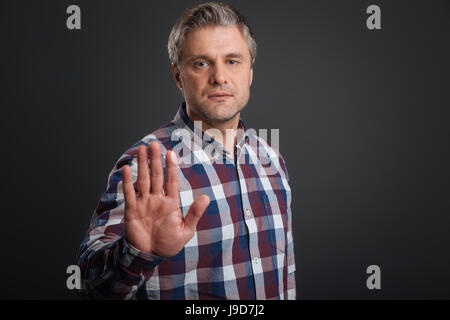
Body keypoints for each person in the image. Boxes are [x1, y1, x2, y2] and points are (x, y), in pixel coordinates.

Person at [77, 2, 296, 300]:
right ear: (178, 76)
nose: (219, 77)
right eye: (201, 63)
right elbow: (90, 286)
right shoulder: (146, 165)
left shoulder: (272, 160)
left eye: (233, 61)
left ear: (250, 72)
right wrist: (136, 253)